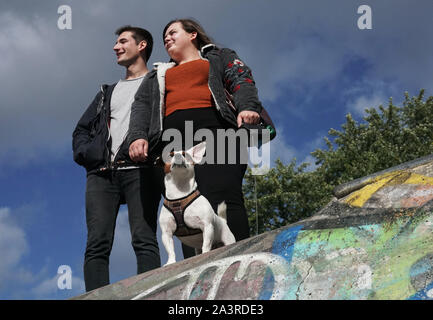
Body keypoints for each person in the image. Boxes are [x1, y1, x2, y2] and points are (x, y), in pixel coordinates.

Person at [128, 18, 264, 259]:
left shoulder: (218, 57)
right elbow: (141, 106)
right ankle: (197, 280)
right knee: (185, 210)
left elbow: (241, 80)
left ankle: (241, 262)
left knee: (224, 198)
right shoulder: (158, 74)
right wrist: (138, 137)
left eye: (172, 33)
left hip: (219, 135)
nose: (167, 38)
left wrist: (247, 107)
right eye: (164, 37)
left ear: (192, 34)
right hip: (171, 144)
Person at [72, 26, 162, 292]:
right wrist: (89, 154)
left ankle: (150, 294)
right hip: (101, 173)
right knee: (97, 243)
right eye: (116, 42)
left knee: (144, 238)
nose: (116, 47)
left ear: (142, 45)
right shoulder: (106, 91)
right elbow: (81, 130)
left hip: (141, 169)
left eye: (123, 41)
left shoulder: (158, 83)